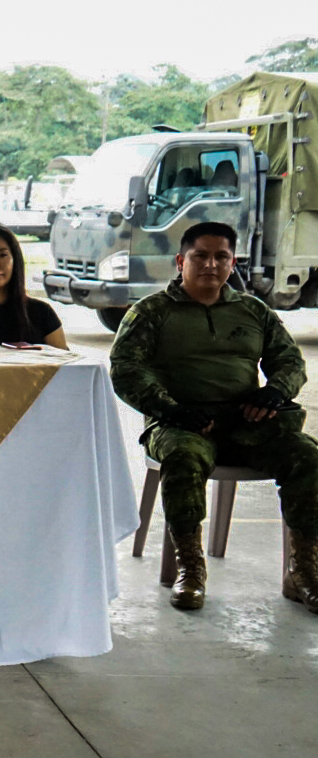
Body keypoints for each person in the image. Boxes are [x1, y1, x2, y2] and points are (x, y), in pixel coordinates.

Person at [110, 220, 318, 612]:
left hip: (246, 424)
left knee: (307, 455)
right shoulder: (151, 312)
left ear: (232, 262)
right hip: (178, 423)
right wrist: (170, 408)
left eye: (221, 257)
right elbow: (125, 369)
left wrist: (275, 392)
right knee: (184, 457)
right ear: (180, 261)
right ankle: (190, 569)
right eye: (200, 256)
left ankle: (304, 571)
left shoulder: (253, 311)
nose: (211, 264)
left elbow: (290, 361)